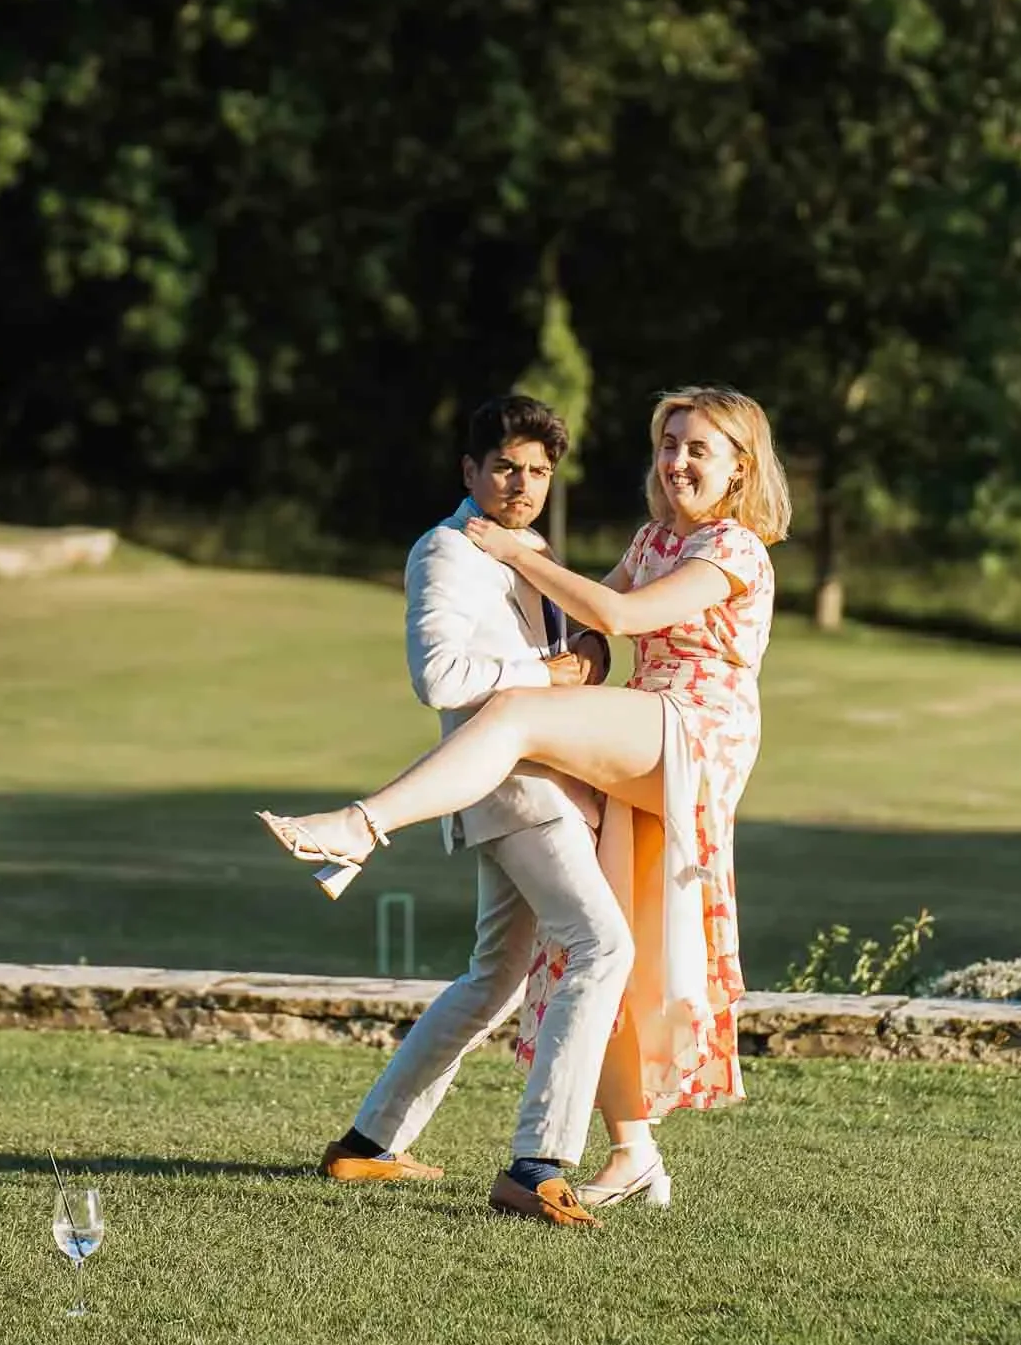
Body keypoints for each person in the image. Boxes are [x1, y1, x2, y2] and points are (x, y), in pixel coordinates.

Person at [262, 386, 789, 1211]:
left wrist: (528, 572)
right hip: (547, 763)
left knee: (573, 950)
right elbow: (578, 633)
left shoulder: (734, 548)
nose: (676, 460)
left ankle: (367, 827)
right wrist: (561, 656)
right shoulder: (495, 546)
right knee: (550, 961)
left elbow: (607, 616)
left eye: (697, 448)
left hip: (688, 733)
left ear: (740, 468)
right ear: (469, 470)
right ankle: (555, 1153)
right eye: (669, 444)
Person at [313, 393, 637, 1230]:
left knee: (494, 977)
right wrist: (555, 675)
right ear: (469, 470)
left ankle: (370, 1140)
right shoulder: (447, 551)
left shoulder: (526, 546)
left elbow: (563, 649)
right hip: (516, 790)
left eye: (537, 472)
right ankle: (539, 1162)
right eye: (505, 468)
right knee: (601, 945)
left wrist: (583, 656)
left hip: (538, 786)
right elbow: (442, 678)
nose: (522, 485)